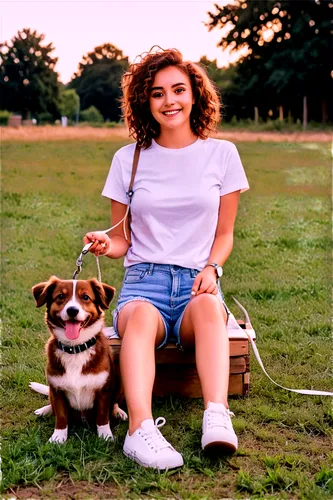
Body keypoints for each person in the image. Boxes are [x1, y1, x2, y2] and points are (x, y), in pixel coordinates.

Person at [84, 48, 249, 470]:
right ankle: (140, 430)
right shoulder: (129, 160)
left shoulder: (223, 155)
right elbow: (121, 238)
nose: (169, 100)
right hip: (144, 282)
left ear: (196, 95)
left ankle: (216, 414)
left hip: (199, 280)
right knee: (138, 319)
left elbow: (224, 234)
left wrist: (213, 268)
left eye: (179, 89)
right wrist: (105, 244)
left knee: (211, 310)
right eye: (157, 93)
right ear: (146, 102)